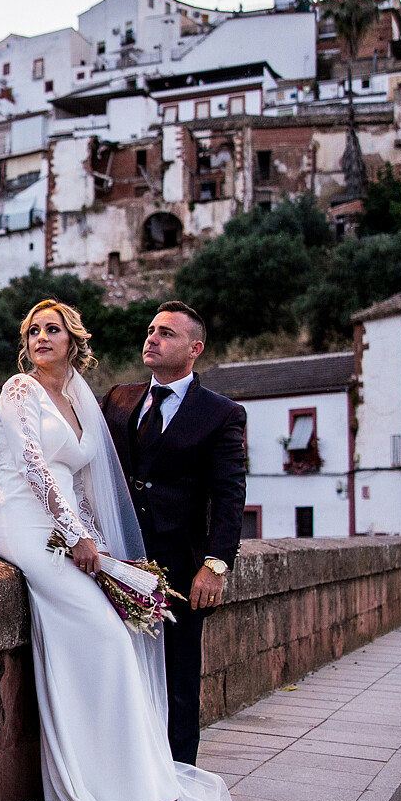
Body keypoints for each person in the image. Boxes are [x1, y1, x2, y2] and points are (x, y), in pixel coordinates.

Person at [0, 299, 260, 801]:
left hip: (130, 546)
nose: (41, 336)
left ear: (73, 340)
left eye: (53, 329)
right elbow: (37, 467)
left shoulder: (88, 401)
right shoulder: (28, 391)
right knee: (111, 641)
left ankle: (154, 790)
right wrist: (80, 537)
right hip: (27, 522)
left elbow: (95, 483)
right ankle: (107, 793)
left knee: (164, 670)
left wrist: (212, 560)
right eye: (33, 330)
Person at [101, 301, 248, 766]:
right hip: (118, 557)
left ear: (194, 348)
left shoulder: (221, 413)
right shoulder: (119, 399)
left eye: (166, 333)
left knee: (179, 677)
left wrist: (215, 564)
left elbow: (229, 494)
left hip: (182, 565)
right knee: (118, 673)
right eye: (150, 330)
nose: (152, 338)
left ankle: (180, 779)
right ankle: (127, 775)